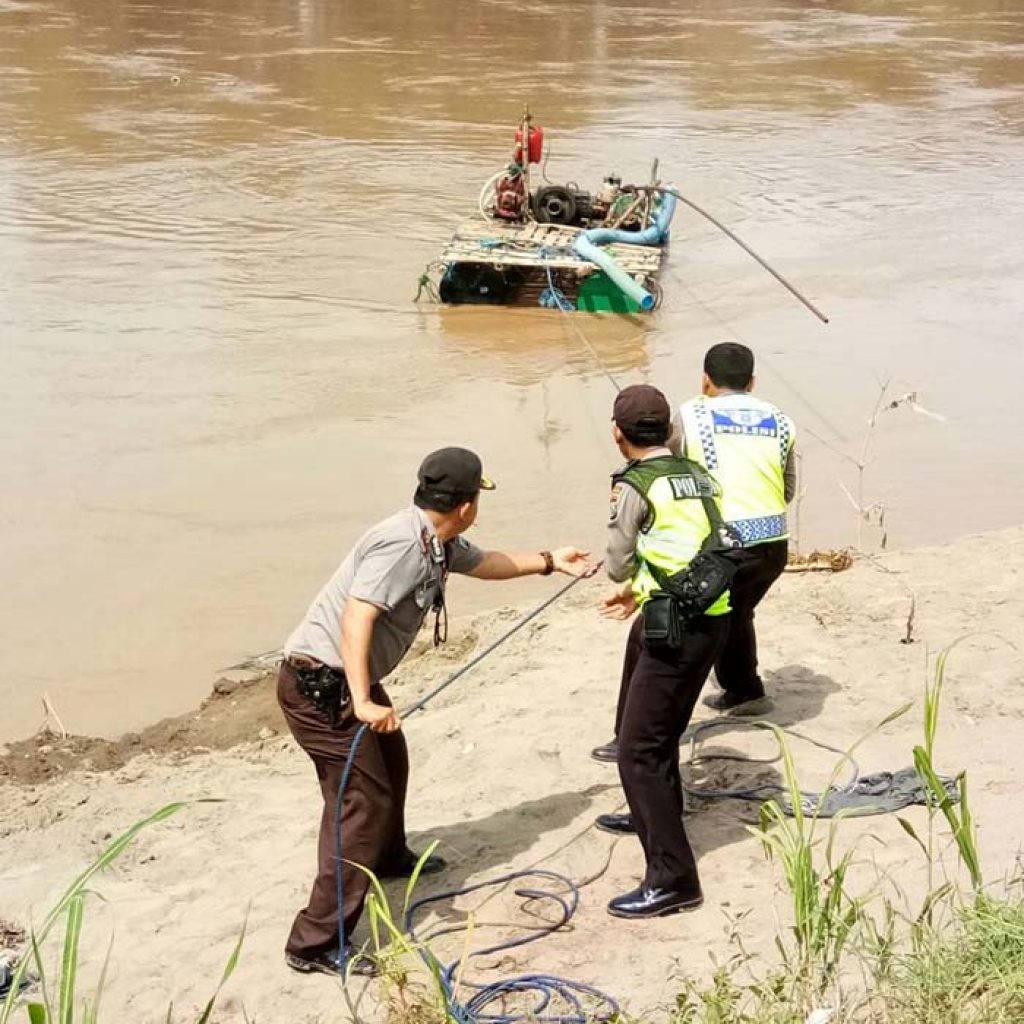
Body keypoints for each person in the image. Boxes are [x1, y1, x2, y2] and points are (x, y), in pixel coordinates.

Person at [278, 446, 593, 977]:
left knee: (390, 763)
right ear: (467, 505)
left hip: (343, 680)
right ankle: (313, 941)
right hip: (320, 687)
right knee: (360, 803)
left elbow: (486, 562)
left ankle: (391, 857)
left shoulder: (436, 538)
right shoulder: (403, 544)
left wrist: (548, 561)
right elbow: (357, 617)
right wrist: (362, 698)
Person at [595, 385, 732, 918]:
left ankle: (674, 878)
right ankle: (651, 810)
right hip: (711, 612)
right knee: (652, 724)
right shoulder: (697, 473)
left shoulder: (634, 486)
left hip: (679, 623)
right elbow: (691, 540)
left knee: (638, 749)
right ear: (670, 431)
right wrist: (639, 589)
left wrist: (627, 580)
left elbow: (617, 563)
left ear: (617, 433)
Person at [675, 342, 795, 714]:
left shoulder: (690, 415)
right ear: (752, 381)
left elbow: (666, 474)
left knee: (699, 623)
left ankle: (664, 712)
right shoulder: (780, 419)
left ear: (705, 380)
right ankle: (745, 691)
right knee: (737, 612)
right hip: (774, 543)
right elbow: (787, 488)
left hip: (725, 545)